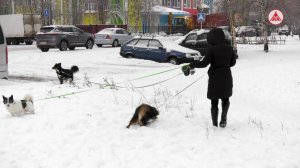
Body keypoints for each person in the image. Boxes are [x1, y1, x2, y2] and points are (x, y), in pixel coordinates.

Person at [182, 28, 236, 128]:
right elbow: (233, 63)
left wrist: (191, 65)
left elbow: (203, 63)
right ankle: (223, 120)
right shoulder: (229, 48)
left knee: (214, 101)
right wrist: (224, 64)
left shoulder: (212, 49)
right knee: (225, 99)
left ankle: (215, 124)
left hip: (215, 78)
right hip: (226, 77)